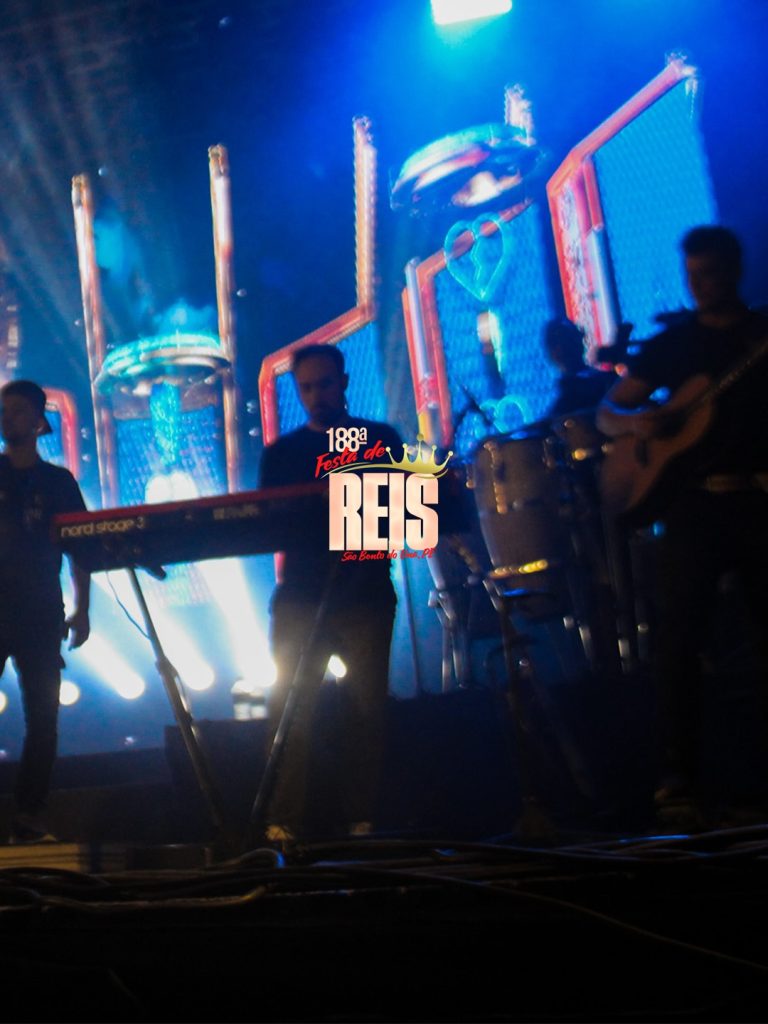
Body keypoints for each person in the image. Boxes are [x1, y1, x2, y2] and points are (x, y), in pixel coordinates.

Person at [596, 225, 768, 825]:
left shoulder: (758, 336)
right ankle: (678, 777)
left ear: (734, 270)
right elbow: (608, 411)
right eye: (693, 276)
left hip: (757, 500)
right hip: (694, 507)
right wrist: (639, 423)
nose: (701, 287)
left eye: (710, 274)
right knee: (678, 641)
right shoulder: (677, 343)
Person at [258, 344, 403, 842]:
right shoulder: (281, 455)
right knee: (290, 710)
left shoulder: (380, 439)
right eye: (307, 387)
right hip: (301, 597)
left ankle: (360, 818)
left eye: (323, 384)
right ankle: (284, 821)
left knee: (367, 711)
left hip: (365, 594)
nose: (316, 395)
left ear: (343, 381)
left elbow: (398, 518)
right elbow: (268, 524)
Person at [0, 380, 91, 843]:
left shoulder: (58, 482)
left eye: (17, 410)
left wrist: (83, 609)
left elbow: (81, 548)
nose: (6, 417)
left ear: (38, 421)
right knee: (41, 717)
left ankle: (29, 816)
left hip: (40, 611)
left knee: (43, 719)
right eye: (3, 410)